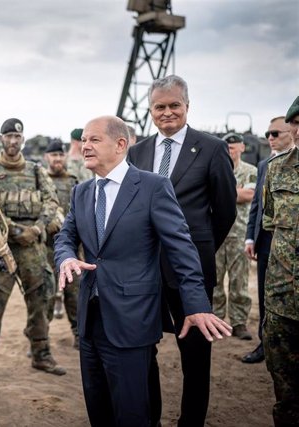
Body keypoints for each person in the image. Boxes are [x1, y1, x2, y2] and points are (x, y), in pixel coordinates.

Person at [55, 115, 231, 427]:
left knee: (134, 412)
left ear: (120, 144)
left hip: (132, 319)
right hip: (90, 319)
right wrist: (66, 257)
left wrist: (196, 304)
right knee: (99, 409)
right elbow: (66, 236)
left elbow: (182, 249)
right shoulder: (82, 191)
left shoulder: (152, 187)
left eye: (94, 139)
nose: (85, 146)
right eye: (83, 140)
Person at [127, 75, 237, 427]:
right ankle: (151, 419)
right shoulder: (137, 151)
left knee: (195, 356)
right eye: (160, 106)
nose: (168, 112)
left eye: (175, 105)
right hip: (145, 271)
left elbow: (225, 210)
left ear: (187, 106)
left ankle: (191, 422)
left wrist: (196, 251)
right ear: (150, 110)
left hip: (191, 272)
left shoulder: (212, 148)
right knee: (144, 351)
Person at [0, 118, 65, 384]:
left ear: (22, 140)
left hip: (33, 248)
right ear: (1, 139)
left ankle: (41, 355)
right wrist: (15, 231)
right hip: (1, 249)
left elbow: (52, 202)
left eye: (17, 136)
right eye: (8, 136)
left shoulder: (36, 171)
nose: (13, 141)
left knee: (41, 301)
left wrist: (36, 229)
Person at [242, 116, 296, 363]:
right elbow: (258, 206)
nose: (270, 138)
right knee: (267, 297)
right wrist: (249, 239)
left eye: (276, 133)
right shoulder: (267, 165)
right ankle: (265, 344)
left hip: (290, 244)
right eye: (268, 134)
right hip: (267, 243)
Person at [261, 96, 299, 427]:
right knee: (286, 391)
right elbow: (270, 223)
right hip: (283, 299)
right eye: (296, 123)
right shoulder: (277, 169)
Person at [213, 133, 257, 339]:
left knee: (239, 282)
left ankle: (239, 323)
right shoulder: (213, 168)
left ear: (241, 147)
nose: (230, 150)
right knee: (214, 282)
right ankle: (217, 321)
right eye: (227, 146)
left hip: (239, 234)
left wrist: (221, 191)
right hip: (217, 234)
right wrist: (235, 191)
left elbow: (249, 195)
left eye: (233, 146)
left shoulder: (250, 171)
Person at [42, 140, 79, 348]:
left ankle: (79, 335)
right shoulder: (40, 180)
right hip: (46, 246)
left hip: (71, 249)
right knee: (45, 295)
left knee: (74, 294)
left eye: (60, 155)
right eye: (53, 155)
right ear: (47, 157)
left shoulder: (73, 182)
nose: (57, 159)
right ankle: (41, 340)